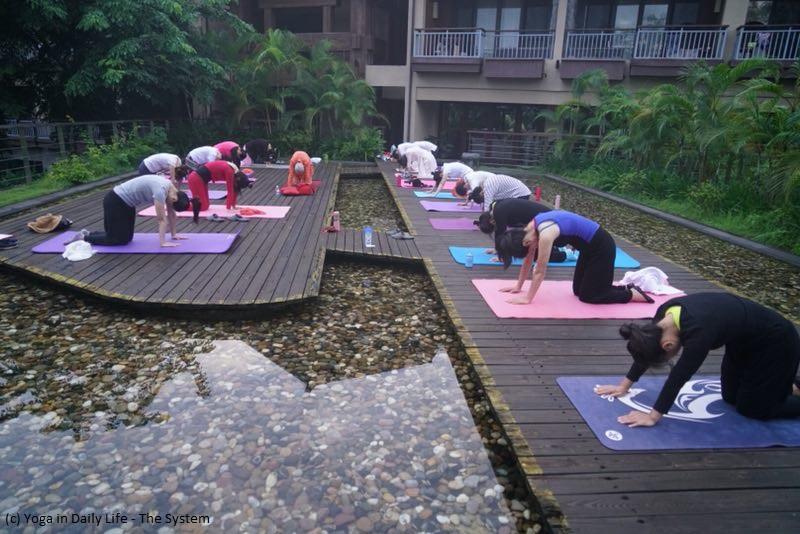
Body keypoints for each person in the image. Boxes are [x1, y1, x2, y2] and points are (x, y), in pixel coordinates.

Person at [595, 293, 800, 426]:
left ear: (668, 346)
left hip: (775, 342)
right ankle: (785, 385)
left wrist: (652, 416)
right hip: (742, 342)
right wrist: (624, 385)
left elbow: (680, 375)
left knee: (752, 408)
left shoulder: (698, 332)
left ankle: (783, 385)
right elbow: (647, 347)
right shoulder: (663, 317)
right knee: (730, 397)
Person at [496, 209, 653, 305]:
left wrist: (528, 298)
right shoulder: (529, 229)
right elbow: (528, 261)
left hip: (602, 247)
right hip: (587, 250)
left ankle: (633, 294)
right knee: (578, 291)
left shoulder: (545, 234)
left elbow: (539, 270)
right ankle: (622, 288)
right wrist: (518, 286)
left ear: (525, 242)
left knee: (589, 297)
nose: (531, 251)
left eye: (528, 248)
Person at [67, 175, 191, 247]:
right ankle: (83, 238)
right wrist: (163, 242)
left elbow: (172, 214)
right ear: (174, 198)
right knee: (116, 239)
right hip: (115, 201)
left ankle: (88, 233)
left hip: (127, 204)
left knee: (126, 239)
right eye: (171, 204)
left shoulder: (172, 191)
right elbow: (162, 220)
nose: (168, 205)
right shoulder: (161, 191)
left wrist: (174, 235)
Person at [477, 198, 566, 263]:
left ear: (491, 221)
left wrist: (502, 256)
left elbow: (501, 233)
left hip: (548, 221)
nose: (495, 228)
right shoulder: (495, 206)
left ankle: (565, 254)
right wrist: (497, 249)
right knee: (532, 249)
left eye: (493, 227)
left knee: (537, 255)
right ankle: (556, 248)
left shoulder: (499, 211)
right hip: (542, 219)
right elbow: (499, 231)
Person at [186, 160, 251, 221]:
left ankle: (185, 204)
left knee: (206, 205)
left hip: (201, 181)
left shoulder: (234, 170)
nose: (237, 187)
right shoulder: (230, 171)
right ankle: (182, 206)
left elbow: (234, 189)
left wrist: (233, 206)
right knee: (203, 207)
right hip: (195, 179)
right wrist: (228, 209)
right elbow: (230, 191)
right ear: (238, 179)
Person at [462, 174, 531, 210]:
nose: (485, 198)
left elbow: (487, 206)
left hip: (521, 195)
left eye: (483, 198)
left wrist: (483, 221)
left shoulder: (488, 187)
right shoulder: (486, 185)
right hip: (520, 192)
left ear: (481, 193)